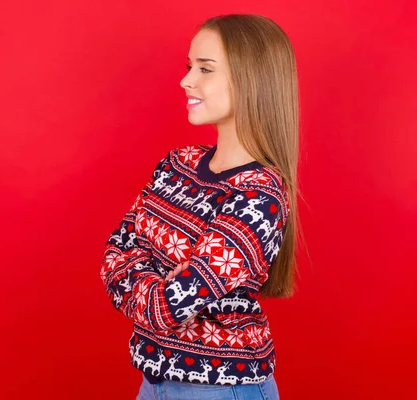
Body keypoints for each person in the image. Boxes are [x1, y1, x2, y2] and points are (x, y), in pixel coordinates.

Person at [100, 13, 303, 400]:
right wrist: (161, 282)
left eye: (205, 69)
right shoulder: (177, 163)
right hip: (153, 380)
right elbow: (114, 257)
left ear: (251, 80)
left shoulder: (260, 194)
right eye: (190, 66)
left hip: (220, 388)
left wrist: (146, 273)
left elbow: (168, 306)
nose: (186, 80)